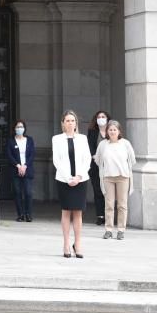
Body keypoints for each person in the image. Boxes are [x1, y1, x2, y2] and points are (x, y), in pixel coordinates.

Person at [52, 109, 91, 259]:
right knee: (66, 211)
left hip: (81, 179)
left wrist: (78, 176)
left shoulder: (82, 139)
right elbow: (57, 160)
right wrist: (69, 178)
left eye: (72, 120)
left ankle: (78, 243)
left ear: (76, 123)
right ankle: (66, 243)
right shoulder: (57, 139)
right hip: (64, 180)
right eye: (67, 120)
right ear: (63, 123)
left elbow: (87, 159)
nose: (70, 123)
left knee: (78, 212)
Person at [94, 120, 137, 241]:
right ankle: (108, 230)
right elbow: (97, 160)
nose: (112, 132)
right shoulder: (103, 144)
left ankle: (121, 230)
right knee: (109, 204)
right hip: (108, 177)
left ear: (119, 131)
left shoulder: (125, 144)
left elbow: (132, 160)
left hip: (123, 177)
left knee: (122, 205)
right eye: (110, 130)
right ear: (107, 131)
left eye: (114, 130)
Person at [5, 119, 35, 222]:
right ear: (14, 129)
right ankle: (20, 214)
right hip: (15, 170)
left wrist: (25, 166)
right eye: (17, 127)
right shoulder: (11, 141)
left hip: (27, 169)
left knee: (28, 193)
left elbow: (32, 154)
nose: (19, 129)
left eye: (21, 127)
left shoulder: (29, 140)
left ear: (24, 128)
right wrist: (18, 165)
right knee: (17, 192)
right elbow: (9, 155)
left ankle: (28, 214)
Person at [87, 111, 110, 226]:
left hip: (109, 167)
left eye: (103, 117)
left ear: (107, 119)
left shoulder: (111, 131)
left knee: (108, 192)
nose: (101, 119)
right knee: (98, 191)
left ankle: (108, 215)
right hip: (95, 166)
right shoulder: (92, 132)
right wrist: (94, 156)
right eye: (99, 117)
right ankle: (100, 216)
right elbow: (89, 146)